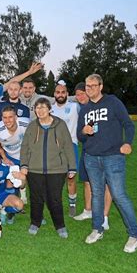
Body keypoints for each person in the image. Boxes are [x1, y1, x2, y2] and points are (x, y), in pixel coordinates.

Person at [78, 74, 137, 253]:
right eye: (87, 87)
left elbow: (128, 124)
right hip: (91, 157)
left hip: (113, 157)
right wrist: (84, 131)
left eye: (92, 86)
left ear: (101, 86)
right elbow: (80, 136)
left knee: (119, 195)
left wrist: (127, 142)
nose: (89, 89)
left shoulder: (113, 102)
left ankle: (134, 234)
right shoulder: (85, 109)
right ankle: (97, 229)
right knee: (97, 194)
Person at [20, 98, 76, 238]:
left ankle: (60, 225)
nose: (40, 111)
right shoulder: (32, 126)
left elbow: (68, 146)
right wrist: (24, 164)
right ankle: (35, 222)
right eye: (37, 108)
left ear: (50, 109)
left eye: (43, 108)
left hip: (57, 169)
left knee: (55, 198)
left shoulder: (60, 125)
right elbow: (25, 147)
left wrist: (72, 167)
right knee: (36, 198)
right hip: (34, 169)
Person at [73, 82, 113, 229]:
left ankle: (105, 216)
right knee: (87, 181)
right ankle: (88, 210)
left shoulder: (100, 106)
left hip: (107, 152)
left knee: (108, 184)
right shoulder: (82, 109)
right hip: (87, 150)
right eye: (77, 94)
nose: (80, 96)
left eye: (83, 93)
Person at [0, 105, 30, 204]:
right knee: (11, 180)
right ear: (2, 118)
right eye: (5, 117)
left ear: (16, 117)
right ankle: (12, 201)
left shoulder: (27, 123)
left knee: (28, 177)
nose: (8, 120)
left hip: (27, 154)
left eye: (10, 117)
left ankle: (23, 194)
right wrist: (4, 158)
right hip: (10, 156)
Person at [51, 80, 80, 217]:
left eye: (63, 92)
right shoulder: (50, 109)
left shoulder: (75, 107)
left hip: (71, 146)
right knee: (54, 179)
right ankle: (55, 205)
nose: (60, 94)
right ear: (54, 94)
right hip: (54, 148)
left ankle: (72, 204)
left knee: (71, 178)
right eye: (58, 92)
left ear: (68, 94)